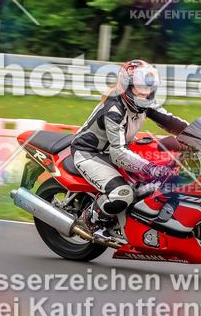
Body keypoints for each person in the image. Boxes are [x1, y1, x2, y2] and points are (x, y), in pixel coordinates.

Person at [71, 59, 189, 235]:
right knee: (123, 193)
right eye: (139, 88)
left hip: (117, 149)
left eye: (148, 88)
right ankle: (89, 220)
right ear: (126, 86)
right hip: (91, 153)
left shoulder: (146, 104)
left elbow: (174, 123)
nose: (144, 93)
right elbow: (117, 153)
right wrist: (150, 168)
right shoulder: (114, 109)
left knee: (152, 183)